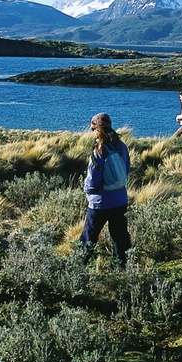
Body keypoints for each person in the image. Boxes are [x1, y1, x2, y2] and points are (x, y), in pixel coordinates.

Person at [80, 112, 132, 266]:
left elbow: (93, 180)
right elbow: (126, 169)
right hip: (120, 200)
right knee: (120, 237)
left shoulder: (98, 150)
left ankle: (76, 267)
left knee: (88, 237)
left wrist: (87, 189)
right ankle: (123, 268)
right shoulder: (121, 146)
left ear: (96, 129)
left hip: (100, 203)